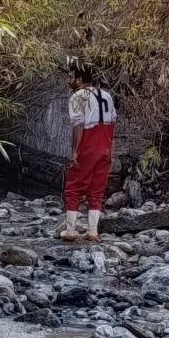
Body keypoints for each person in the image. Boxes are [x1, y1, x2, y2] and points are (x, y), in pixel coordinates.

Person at [62, 62, 117, 242]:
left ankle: (71, 230)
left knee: (73, 187)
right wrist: (110, 148)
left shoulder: (77, 97)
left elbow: (78, 126)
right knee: (97, 188)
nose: (69, 81)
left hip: (88, 143)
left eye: (71, 77)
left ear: (79, 79)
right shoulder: (107, 95)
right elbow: (113, 121)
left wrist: (75, 152)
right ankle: (92, 231)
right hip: (105, 145)